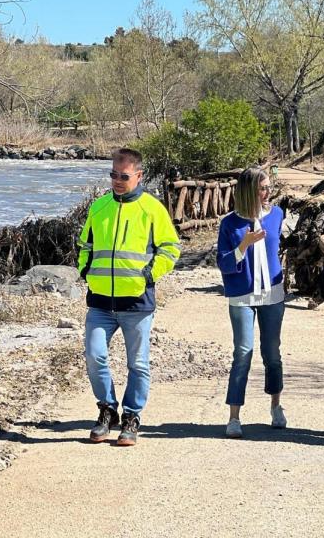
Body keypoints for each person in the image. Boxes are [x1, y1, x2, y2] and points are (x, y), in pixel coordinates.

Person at [76, 147, 181, 446]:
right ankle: (107, 410)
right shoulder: (99, 207)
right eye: (113, 174)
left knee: (138, 363)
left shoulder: (152, 208)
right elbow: (85, 245)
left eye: (123, 176)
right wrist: (85, 270)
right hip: (100, 303)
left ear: (139, 175)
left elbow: (171, 248)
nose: (117, 181)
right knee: (95, 356)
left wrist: (149, 275)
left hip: (137, 304)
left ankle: (132, 417)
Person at [216, 168, 287, 438]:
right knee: (243, 352)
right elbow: (223, 263)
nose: (267, 192)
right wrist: (242, 246)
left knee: (272, 353)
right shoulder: (230, 223)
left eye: (268, 187)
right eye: (262, 188)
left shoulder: (276, 215)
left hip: (272, 294)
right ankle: (234, 417)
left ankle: (276, 407)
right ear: (248, 191)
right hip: (241, 296)